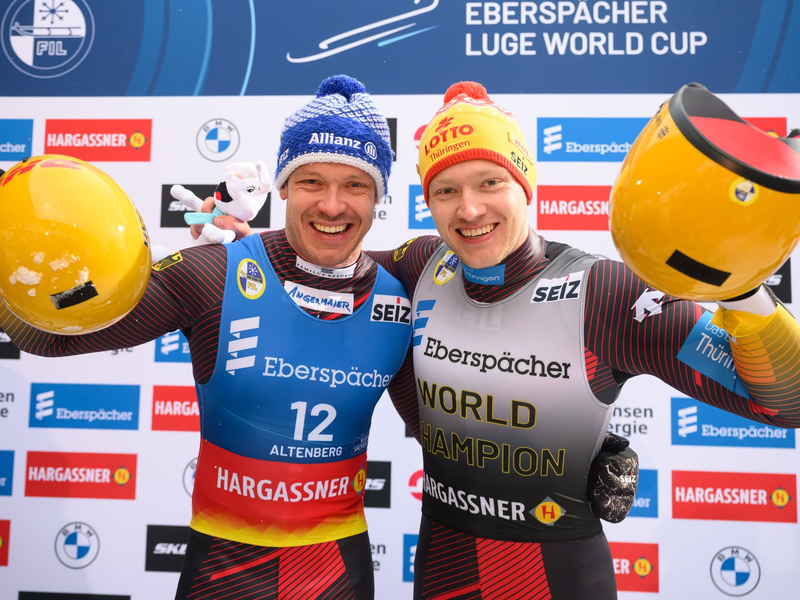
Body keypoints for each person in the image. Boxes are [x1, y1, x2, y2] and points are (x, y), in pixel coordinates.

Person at [363, 82, 800, 599]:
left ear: (525, 184)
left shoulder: (602, 293)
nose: (470, 209)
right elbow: (332, 271)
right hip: (443, 570)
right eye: (446, 190)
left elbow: (784, 403)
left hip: (553, 577)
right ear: (428, 201)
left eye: (489, 182)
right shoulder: (420, 263)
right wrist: (240, 244)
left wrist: (743, 291)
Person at [0, 75, 410, 599]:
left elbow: (442, 439)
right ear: (282, 186)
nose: (332, 205)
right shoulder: (212, 274)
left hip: (337, 574)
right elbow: (51, 338)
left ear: (380, 197)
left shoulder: (401, 293)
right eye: (311, 181)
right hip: (223, 570)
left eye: (355, 185)